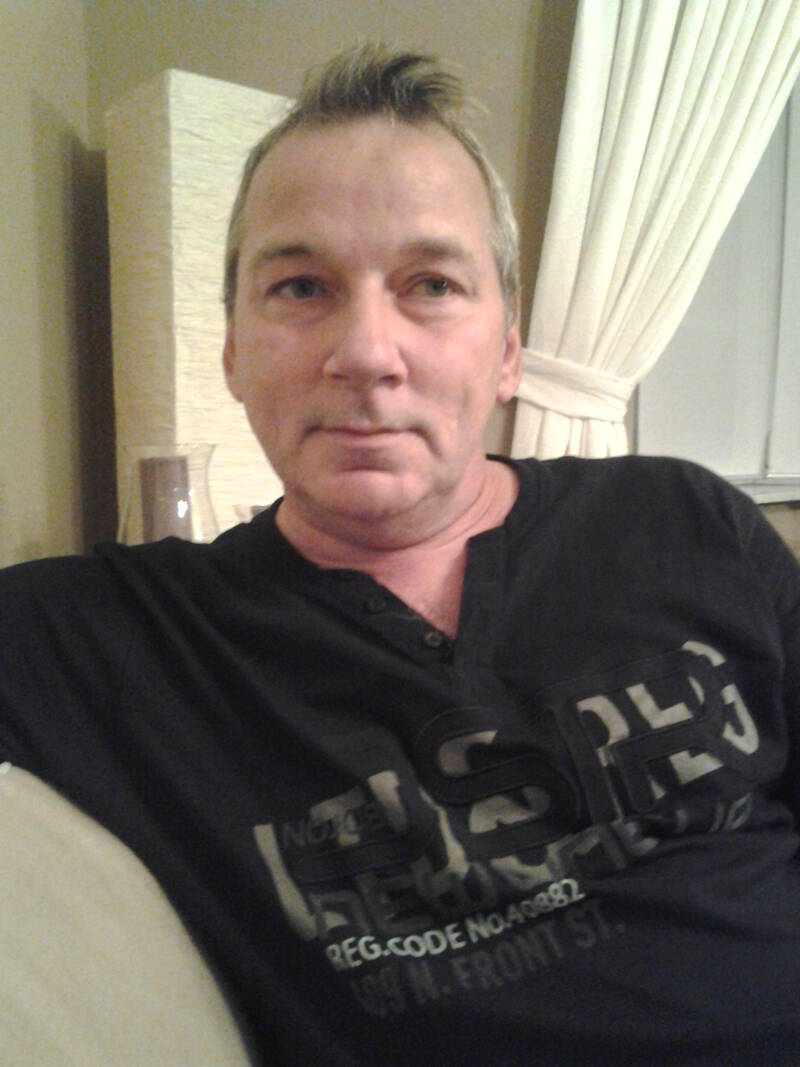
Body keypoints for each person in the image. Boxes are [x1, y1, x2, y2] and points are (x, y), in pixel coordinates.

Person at [1, 43, 799, 1066]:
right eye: (300, 286)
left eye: (430, 283)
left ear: (506, 349)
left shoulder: (686, 520)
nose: (368, 354)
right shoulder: (123, 643)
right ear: (233, 349)